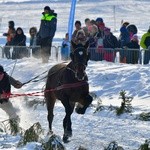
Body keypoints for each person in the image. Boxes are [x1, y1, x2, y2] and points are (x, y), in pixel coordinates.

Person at [0, 65, 23, 134]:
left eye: (0, 74)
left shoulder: (7, 77)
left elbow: (15, 83)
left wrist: (18, 84)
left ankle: (15, 130)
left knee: (13, 115)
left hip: (4, 101)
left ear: (3, 73)